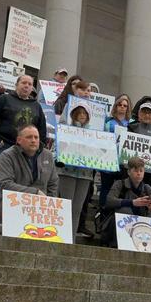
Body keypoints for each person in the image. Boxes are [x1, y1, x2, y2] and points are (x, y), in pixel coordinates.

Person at [0, 125, 59, 223]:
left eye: (36, 137)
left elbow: (53, 183)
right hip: (12, 203)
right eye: (29, 137)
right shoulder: (7, 156)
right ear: (19, 140)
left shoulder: (47, 155)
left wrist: (50, 203)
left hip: (41, 207)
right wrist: (35, 192)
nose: (33, 140)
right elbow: (5, 184)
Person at [55, 87, 97, 240]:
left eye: (85, 114)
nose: (82, 116)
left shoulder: (93, 133)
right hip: (67, 171)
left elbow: (97, 152)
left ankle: (70, 238)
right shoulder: (66, 129)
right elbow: (58, 145)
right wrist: (57, 158)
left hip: (85, 174)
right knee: (65, 205)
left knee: (77, 208)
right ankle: (61, 235)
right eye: (79, 113)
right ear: (73, 115)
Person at [102, 157, 151, 248]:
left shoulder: (146, 187)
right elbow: (109, 201)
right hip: (116, 226)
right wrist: (132, 202)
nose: (139, 173)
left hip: (140, 227)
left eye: (141, 171)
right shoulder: (119, 184)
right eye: (135, 170)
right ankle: (117, 245)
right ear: (129, 172)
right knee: (125, 210)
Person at [127, 97, 151, 198]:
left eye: (150, 113)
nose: (147, 115)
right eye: (144, 112)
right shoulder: (130, 128)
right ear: (139, 114)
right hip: (135, 173)